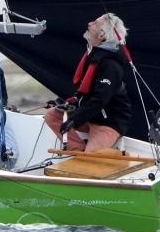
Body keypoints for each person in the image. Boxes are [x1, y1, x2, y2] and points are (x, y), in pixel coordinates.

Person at [44, 12, 134, 153]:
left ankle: (86, 156)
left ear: (102, 35)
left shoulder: (110, 65)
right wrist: (68, 103)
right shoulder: (94, 56)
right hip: (90, 117)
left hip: (108, 123)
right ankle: (78, 151)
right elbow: (85, 91)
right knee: (51, 115)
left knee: (91, 156)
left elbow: (99, 100)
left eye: (95, 23)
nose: (89, 23)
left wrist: (74, 120)